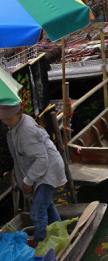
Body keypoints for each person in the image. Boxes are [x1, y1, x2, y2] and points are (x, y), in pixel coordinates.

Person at [1, 101, 66, 244]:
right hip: (37, 170)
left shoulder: (26, 130)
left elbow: (42, 160)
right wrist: (22, 178)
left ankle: (40, 247)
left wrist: (27, 181)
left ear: (20, 114)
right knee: (47, 205)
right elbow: (19, 158)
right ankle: (61, 235)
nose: (6, 122)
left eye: (9, 119)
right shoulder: (14, 128)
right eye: (3, 118)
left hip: (48, 169)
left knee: (37, 212)